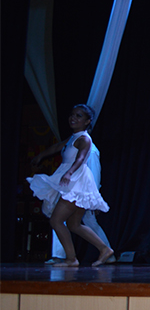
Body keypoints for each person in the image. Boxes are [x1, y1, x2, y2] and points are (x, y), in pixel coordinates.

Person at [28, 104, 114, 267]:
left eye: (79, 116)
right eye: (72, 114)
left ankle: (72, 258)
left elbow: (81, 158)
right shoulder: (73, 138)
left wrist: (69, 172)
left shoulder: (84, 139)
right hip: (75, 181)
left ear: (88, 121)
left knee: (56, 220)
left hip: (76, 182)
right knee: (74, 224)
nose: (73, 118)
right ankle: (104, 249)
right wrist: (40, 156)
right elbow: (56, 147)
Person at [46, 143, 115, 264]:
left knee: (72, 221)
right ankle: (62, 255)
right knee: (71, 223)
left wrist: (94, 197)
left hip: (80, 192)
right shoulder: (72, 143)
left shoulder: (90, 148)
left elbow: (94, 172)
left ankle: (104, 251)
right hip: (70, 189)